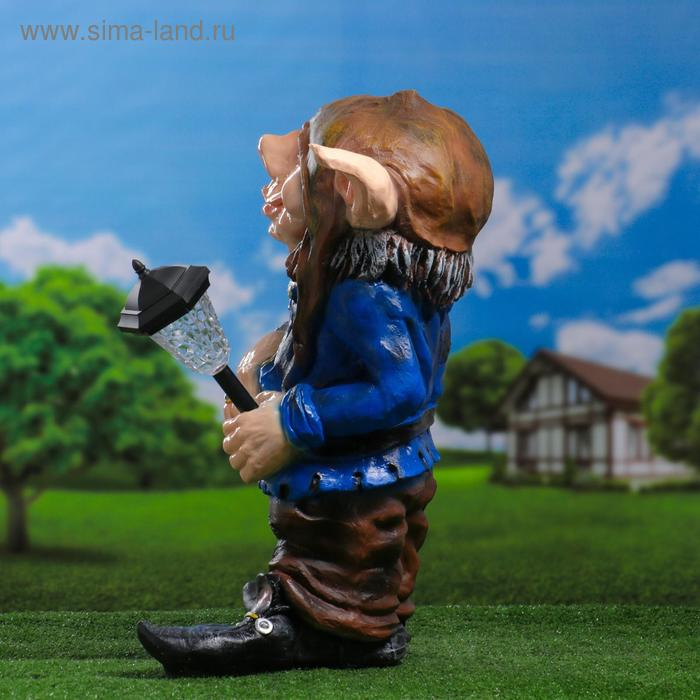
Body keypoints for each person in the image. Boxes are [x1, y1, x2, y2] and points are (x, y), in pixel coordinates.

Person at [137, 90, 493, 676]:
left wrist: (289, 421)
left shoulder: (366, 294)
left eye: (291, 179)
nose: (270, 192)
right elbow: (323, 343)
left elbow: (401, 389)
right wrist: (261, 363)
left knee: (346, 544)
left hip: (361, 469)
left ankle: (334, 629)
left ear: (345, 194)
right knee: (321, 538)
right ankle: (319, 614)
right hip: (353, 462)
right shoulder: (350, 278)